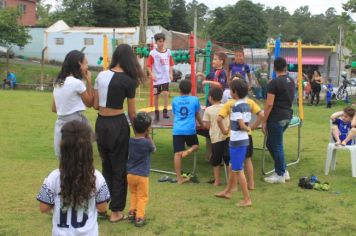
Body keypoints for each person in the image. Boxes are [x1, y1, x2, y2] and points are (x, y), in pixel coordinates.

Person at [94, 44, 143, 222]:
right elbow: (132, 113)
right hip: (118, 124)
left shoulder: (101, 75)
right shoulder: (129, 80)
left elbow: (95, 105)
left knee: (105, 165)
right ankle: (116, 212)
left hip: (100, 123)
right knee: (119, 168)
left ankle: (101, 207)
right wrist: (141, 132)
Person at [36, 120, 110, 236]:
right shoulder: (97, 177)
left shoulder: (54, 177)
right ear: (88, 149)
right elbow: (102, 207)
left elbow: (43, 207)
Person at [218, 77, 264, 190]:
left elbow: (219, 119)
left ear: (234, 92)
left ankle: (233, 185)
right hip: (247, 136)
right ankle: (251, 183)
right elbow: (261, 114)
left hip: (233, 136)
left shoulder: (230, 104)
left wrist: (224, 130)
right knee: (248, 160)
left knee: (232, 162)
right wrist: (252, 127)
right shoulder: (250, 102)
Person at [214, 79, 252, 207]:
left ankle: (247, 199)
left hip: (237, 142)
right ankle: (228, 191)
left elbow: (241, 125)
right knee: (232, 166)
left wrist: (247, 128)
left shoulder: (235, 107)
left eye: (231, 90)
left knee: (238, 169)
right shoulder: (246, 104)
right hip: (242, 140)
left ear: (234, 93)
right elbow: (236, 121)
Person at [52, 50, 94, 159]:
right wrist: (89, 81)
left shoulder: (58, 82)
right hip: (75, 125)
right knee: (77, 156)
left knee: (66, 157)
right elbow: (90, 103)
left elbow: (54, 108)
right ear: (79, 64)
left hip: (60, 123)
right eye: (86, 63)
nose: (87, 67)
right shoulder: (77, 83)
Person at [262, 57, 295, 184]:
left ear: (274, 67)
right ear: (286, 67)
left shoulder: (273, 83)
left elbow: (269, 104)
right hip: (287, 116)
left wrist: (264, 120)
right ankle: (283, 170)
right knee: (271, 144)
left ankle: (280, 174)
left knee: (276, 145)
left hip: (276, 117)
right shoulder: (291, 81)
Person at [172, 79, 204, 184]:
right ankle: (188, 151)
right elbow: (197, 114)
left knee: (177, 154)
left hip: (178, 129)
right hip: (190, 129)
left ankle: (179, 178)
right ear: (191, 89)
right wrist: (202, 124)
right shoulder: (194, 100)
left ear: (179, 89)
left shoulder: (175, 100)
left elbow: (175, 113)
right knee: (195, 145)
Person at [127, 112, 156, 227]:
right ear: (147, 129)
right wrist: (148, 137)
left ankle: (132, 211)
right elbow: (154, 149)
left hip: (130, 173)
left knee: (133, 193)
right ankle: (139, 217)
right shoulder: (146, 143)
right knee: (142, 196)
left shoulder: (130, 141)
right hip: (142, 175)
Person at [202, 87, 229, 186]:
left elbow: (207, 125)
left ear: (210, 98)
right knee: (228, 160)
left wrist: (205, 125)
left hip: (216, 138)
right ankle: (231, 181)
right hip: (227, 136)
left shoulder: (208, 110)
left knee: (216, 161)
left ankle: (217, 181)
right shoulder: (226, 107)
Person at [147, 33, 174, 121]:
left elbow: (171, 64)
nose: (161, 43)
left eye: (162, 41)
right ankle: (156, 113)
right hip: (157, 78)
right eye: (159, 41)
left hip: (165, 77)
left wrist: (171, 73)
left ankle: (165, 112)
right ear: (156, 42)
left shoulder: (168, 52)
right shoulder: (153, 53)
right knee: (156, 95)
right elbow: (148, 66)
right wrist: (152, 74)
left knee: (166, 93)